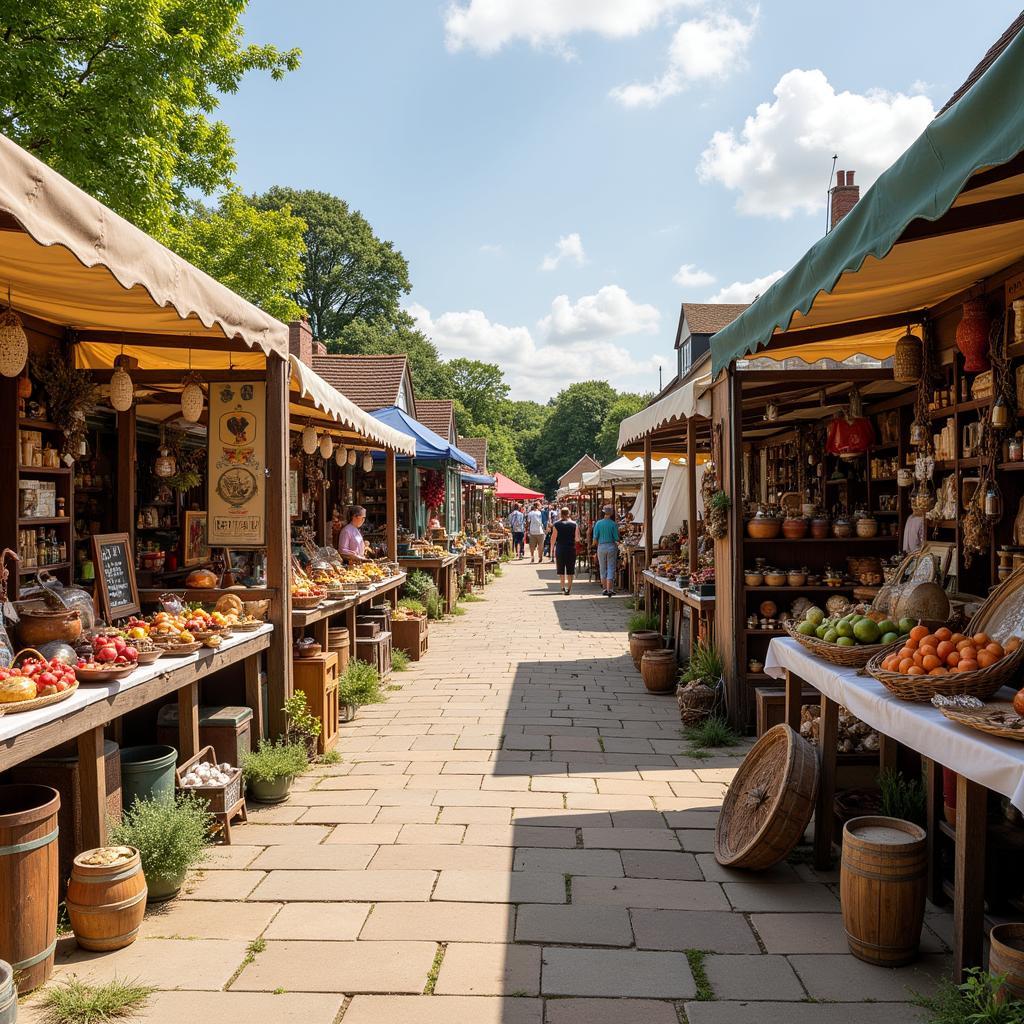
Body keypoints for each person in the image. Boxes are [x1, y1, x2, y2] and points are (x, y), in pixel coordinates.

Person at [592, 504, 620, 596]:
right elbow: (616, 538)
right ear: (611, 514)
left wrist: (593, 546)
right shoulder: (613, 524)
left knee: (602, 567)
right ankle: (610, 589)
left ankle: (604, 589)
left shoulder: (598, 523)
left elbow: (595, 538)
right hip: (611, 546)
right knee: (611, 567)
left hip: (601, 547)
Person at [552, 507, 580, 594]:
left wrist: (552, 548)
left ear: (561, 513)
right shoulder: (574, 524)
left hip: (560, 548)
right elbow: (577, 539)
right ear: (569, 513)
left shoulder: (556, 524)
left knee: (561, 569)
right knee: (570, 569)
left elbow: (553, 538)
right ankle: (569, 588)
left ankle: (562, 587)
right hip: (571, 549)